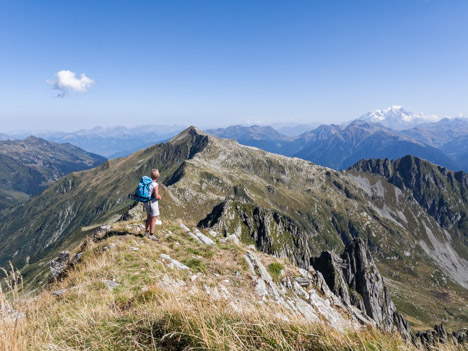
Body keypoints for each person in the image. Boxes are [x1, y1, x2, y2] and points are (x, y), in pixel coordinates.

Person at [144, 169, 162, 240]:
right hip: (152, 203)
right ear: (157, 176)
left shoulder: (147, 183)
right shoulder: (155, 184)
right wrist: (160, 197)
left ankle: (146, 232)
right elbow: (157, 196)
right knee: (154, 219)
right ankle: (151, 235)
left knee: (148, 217)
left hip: (146, 202)